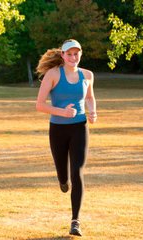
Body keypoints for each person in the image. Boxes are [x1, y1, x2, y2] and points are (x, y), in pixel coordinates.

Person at [35, 39, 97, 236]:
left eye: (76, 53)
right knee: (64, 175)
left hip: (79, 127)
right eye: (69, 54)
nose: (73, 57)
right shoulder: (53, 75)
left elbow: (89, 97)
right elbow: (40, 104)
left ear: (80, 54)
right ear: (62, 55)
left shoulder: (87, 75)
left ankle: (75, 221)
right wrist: (62, 112)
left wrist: (93, 112)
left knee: (77, 172)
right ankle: (63, 181)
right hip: (58, 129)